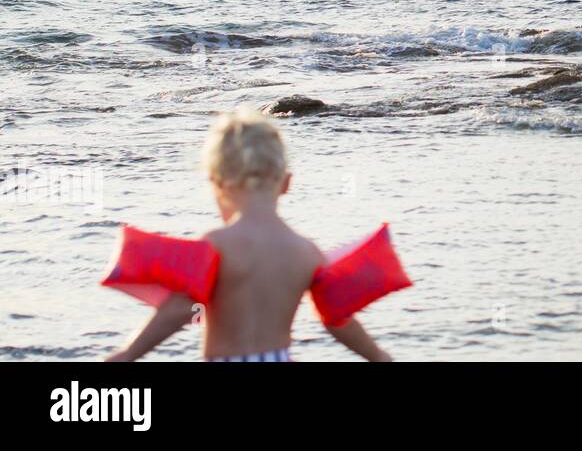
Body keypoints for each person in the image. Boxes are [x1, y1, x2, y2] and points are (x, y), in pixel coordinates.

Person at [106, 109, 391, 361]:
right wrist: (378, 356)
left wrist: (128, 353)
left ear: (218, 184)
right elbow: (337, 318)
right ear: (286, 183)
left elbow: (181, 309)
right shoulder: (306, 252)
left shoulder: (217, 245)